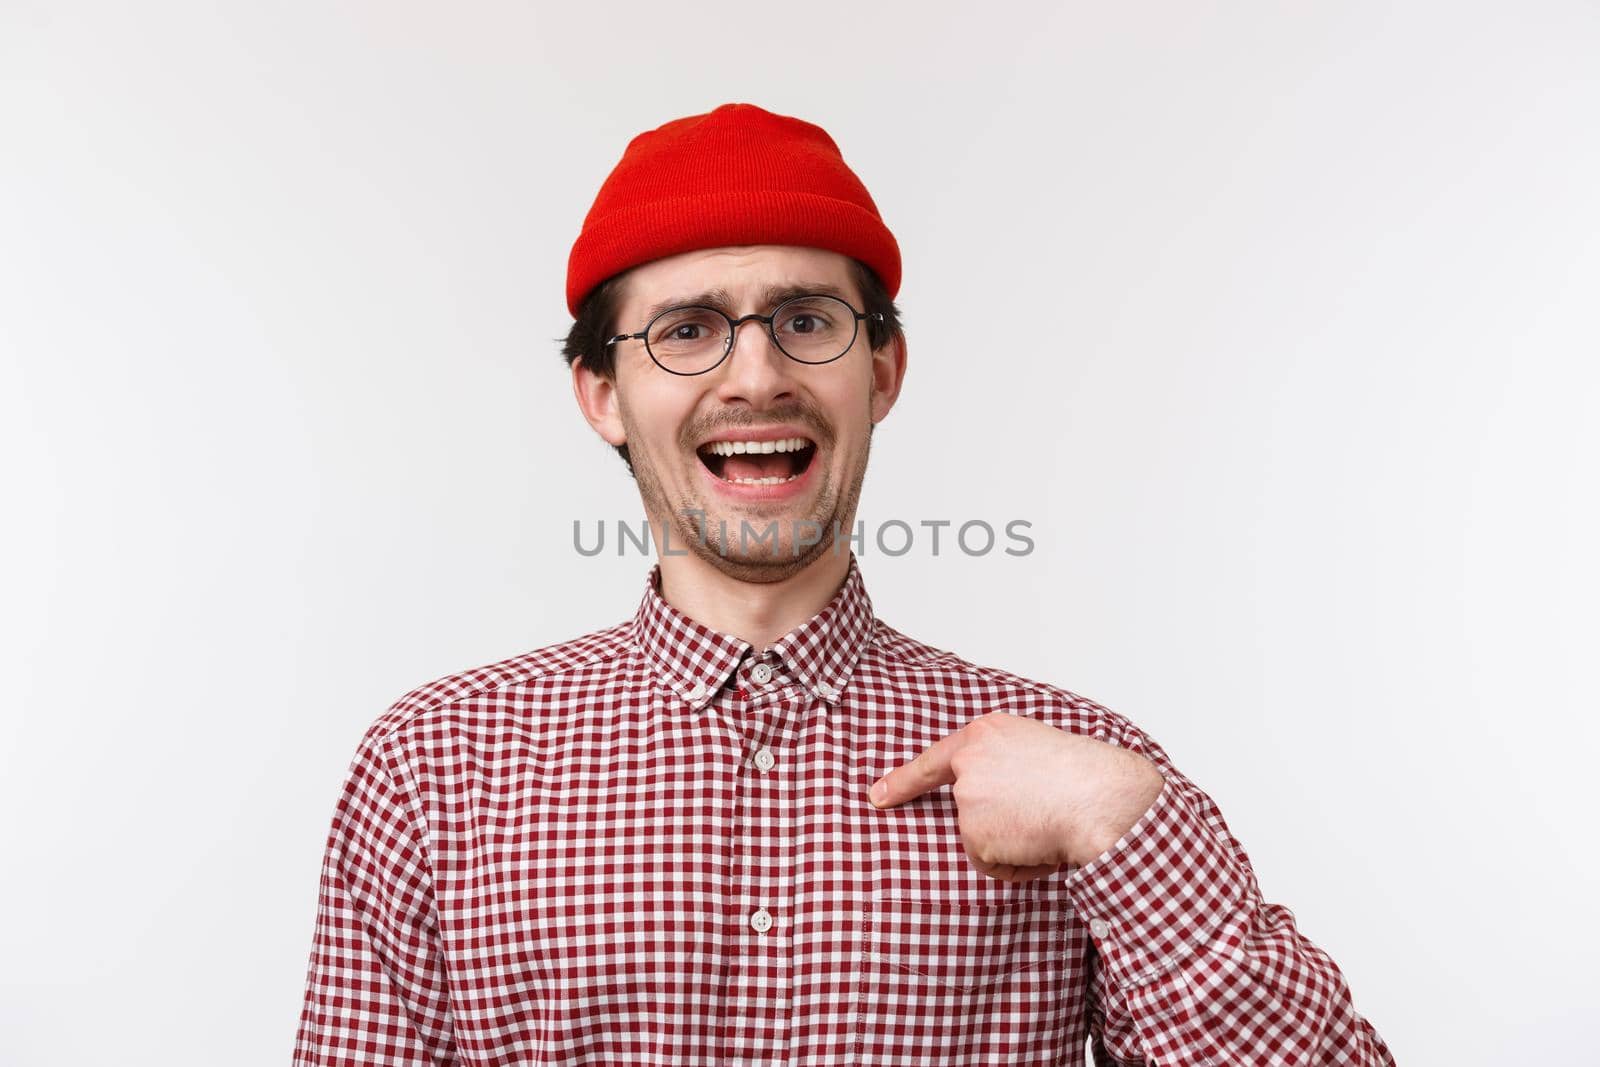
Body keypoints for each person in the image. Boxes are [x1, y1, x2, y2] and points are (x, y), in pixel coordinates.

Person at [293, 102, 1394, 1066]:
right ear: (600, 395)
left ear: (881, 372)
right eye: (688, 330)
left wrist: (1128, 828)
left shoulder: (1074, 768)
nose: (757, 373)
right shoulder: (433, 765)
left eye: (806, 321)